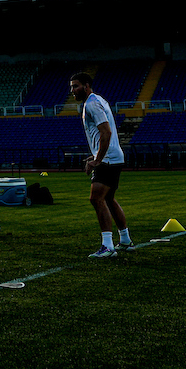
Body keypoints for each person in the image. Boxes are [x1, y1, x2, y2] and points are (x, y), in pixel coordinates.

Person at [70, 73, 133, 257]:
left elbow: (106, 132)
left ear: (86, 85)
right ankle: (126, 240)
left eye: (76, 86)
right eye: (71, 87)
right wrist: (95, 155)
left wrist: (98, 160)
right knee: (108, 198)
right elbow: (103, 136)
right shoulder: (97, 101)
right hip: (112, 157)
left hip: (108, 159)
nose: (72, 90)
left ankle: (108, 246)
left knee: (96, 198)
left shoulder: (92, 104)